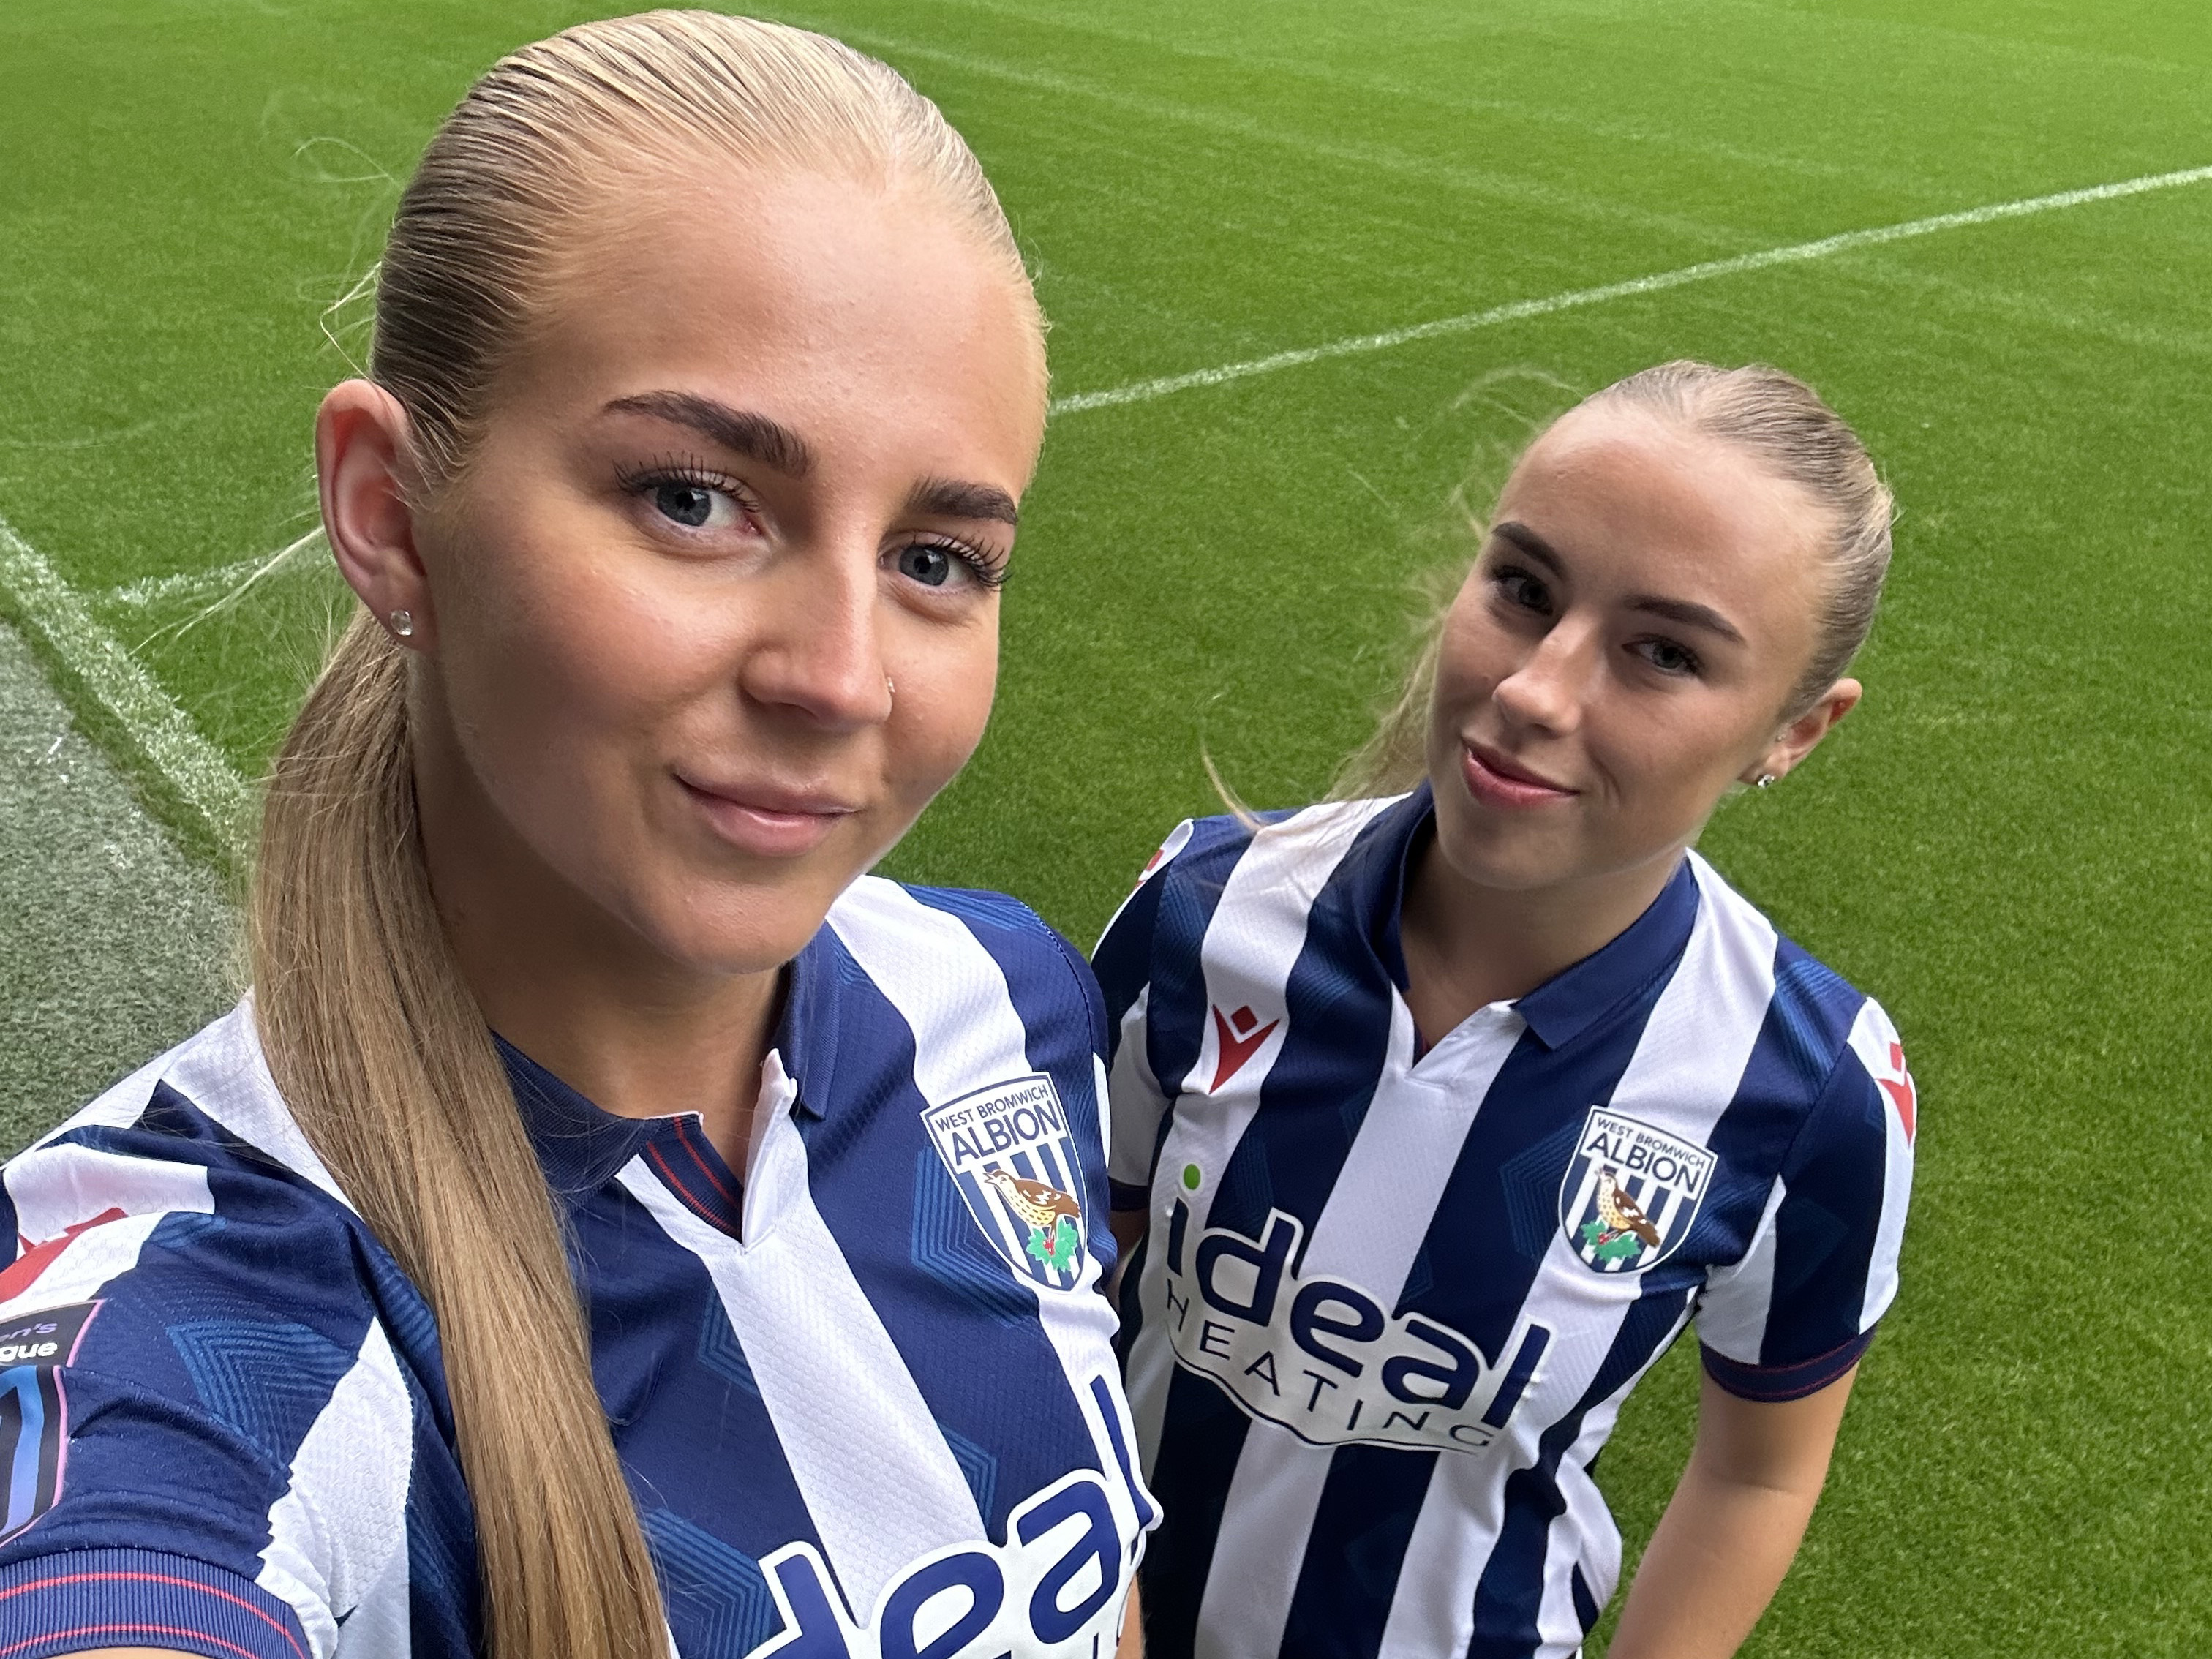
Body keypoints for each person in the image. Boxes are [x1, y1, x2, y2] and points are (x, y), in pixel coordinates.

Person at [0, 15, 1154, 1659]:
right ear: (392, 517)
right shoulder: (205, 1324)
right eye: (695, 499)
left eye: (938, 561)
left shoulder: (1001, 997)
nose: (839, 680)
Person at [1097, 361, 1916, 1659]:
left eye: (1663, 654)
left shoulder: (1807, 1084)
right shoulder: (1209, 908)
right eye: (1523, 590)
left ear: (1794, 731)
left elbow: (1760, 1467)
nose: (1536, 691)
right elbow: (1074, 1283)